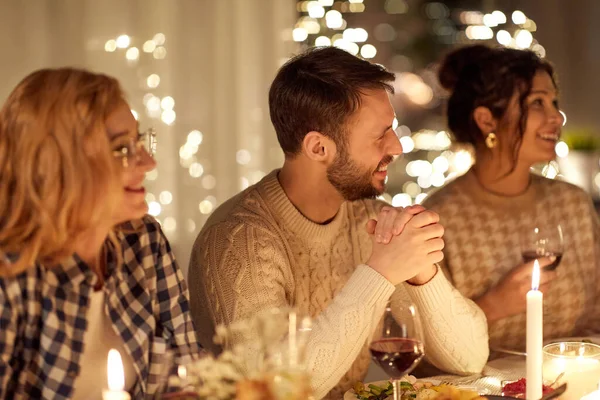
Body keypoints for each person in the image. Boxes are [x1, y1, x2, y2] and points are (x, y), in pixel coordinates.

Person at [188, 46, 488, 399]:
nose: (396, 147)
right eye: (380, 134)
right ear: (318, 148)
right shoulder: (239, 239)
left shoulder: (371, 217)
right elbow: (279, 390)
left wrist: (422, 275)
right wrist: (380, 272)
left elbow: (470, 359)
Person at [0, 68, 200, 398]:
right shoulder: (12, 273)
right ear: (60, 164)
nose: (148, 162)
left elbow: (191, 376)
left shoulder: (143, 240)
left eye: (139, 141)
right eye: (122, 148)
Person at [423, 44, 600, 354]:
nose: (556, 116)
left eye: (553, 101)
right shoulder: (438, 219)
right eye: (537, 103)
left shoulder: (573, 203)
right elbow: (427, 351)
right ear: (487, 120)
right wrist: (493, 305)